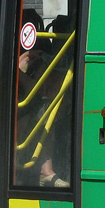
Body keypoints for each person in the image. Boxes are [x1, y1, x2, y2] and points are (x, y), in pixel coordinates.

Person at [16, 10, 69, 188]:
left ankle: (45, 171)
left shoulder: (40, 49)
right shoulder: (8, 48)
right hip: (10, 101)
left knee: (48, 107)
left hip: (31, 97)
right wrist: (20, 68)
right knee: (37, 110)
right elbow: (28, 86)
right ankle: (25, 170)